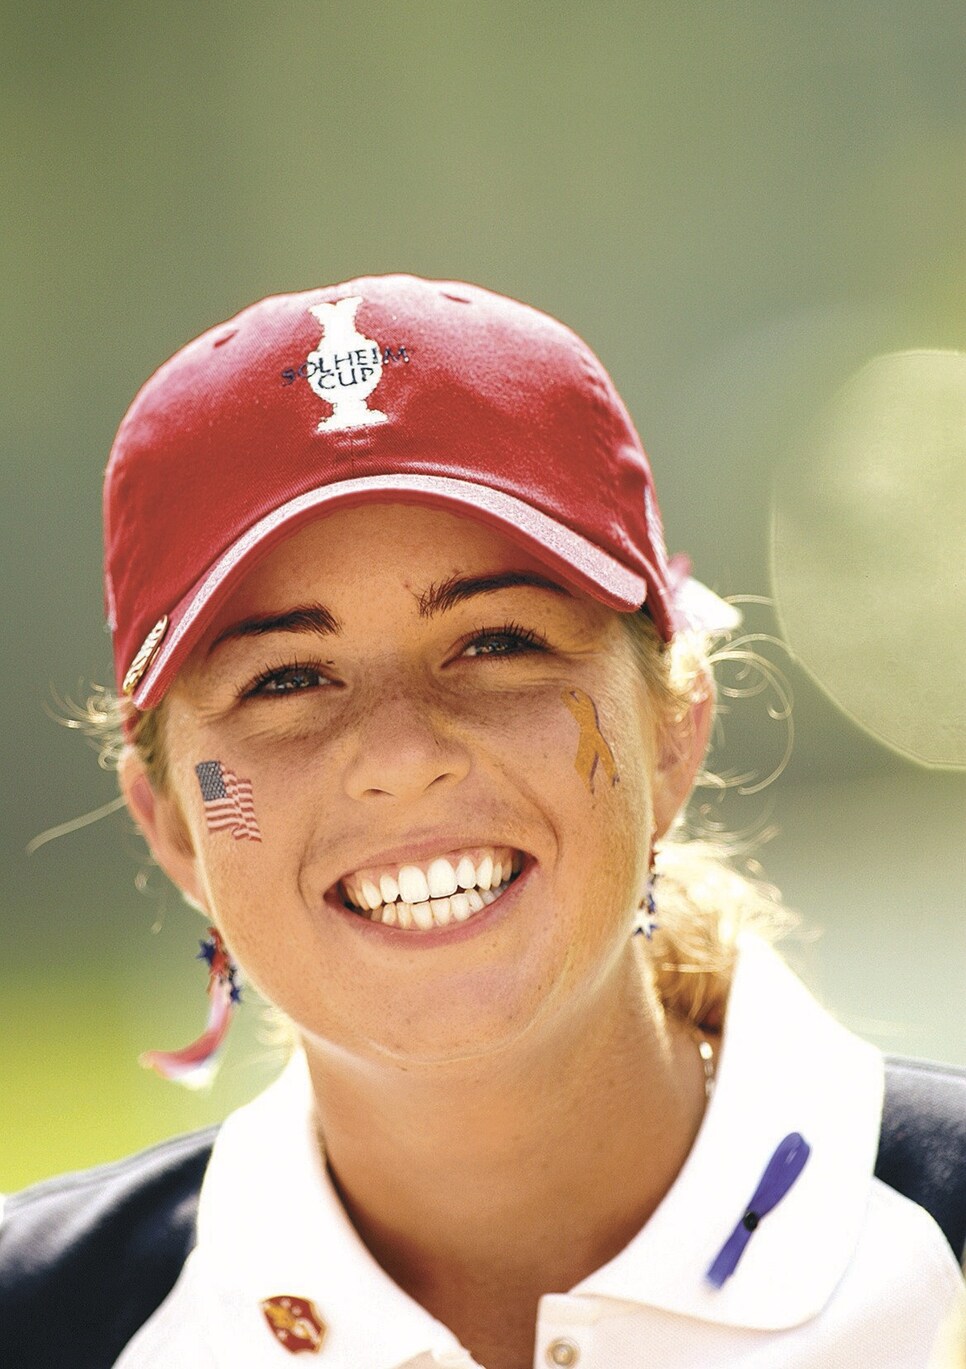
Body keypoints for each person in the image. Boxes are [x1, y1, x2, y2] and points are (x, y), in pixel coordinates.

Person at [1, 275, 963, 1368]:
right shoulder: (39, 1323)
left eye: (498, 642)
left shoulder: (944, 1251)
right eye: (285, 680)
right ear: (169, 822)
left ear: (675, 728)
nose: (403, 756)